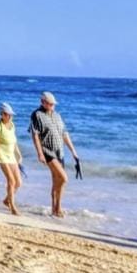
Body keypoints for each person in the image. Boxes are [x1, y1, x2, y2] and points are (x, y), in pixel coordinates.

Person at [30, 90, 80, 218]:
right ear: (43, 102)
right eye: (50, 104)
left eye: (54, 104)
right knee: (64, 178)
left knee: (56, 180)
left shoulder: (57, 116)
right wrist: (40, 153)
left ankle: (55, 209)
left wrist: (73, 151)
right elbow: (35, 135)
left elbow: (64, 134)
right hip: (48, 151)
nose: (53, 106)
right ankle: (57, 208)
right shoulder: (37, 115)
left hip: (60, 152)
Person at [0, 102, 23, 215]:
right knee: (11, 181)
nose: (10, 117)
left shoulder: (12, 125)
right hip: (2, 155)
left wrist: (18, 154)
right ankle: (12, 207)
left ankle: (6, 200)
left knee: (18, 182)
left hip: (11, 156)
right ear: (2, 114)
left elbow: (14, 141)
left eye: (11, 115)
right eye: (8, 114)